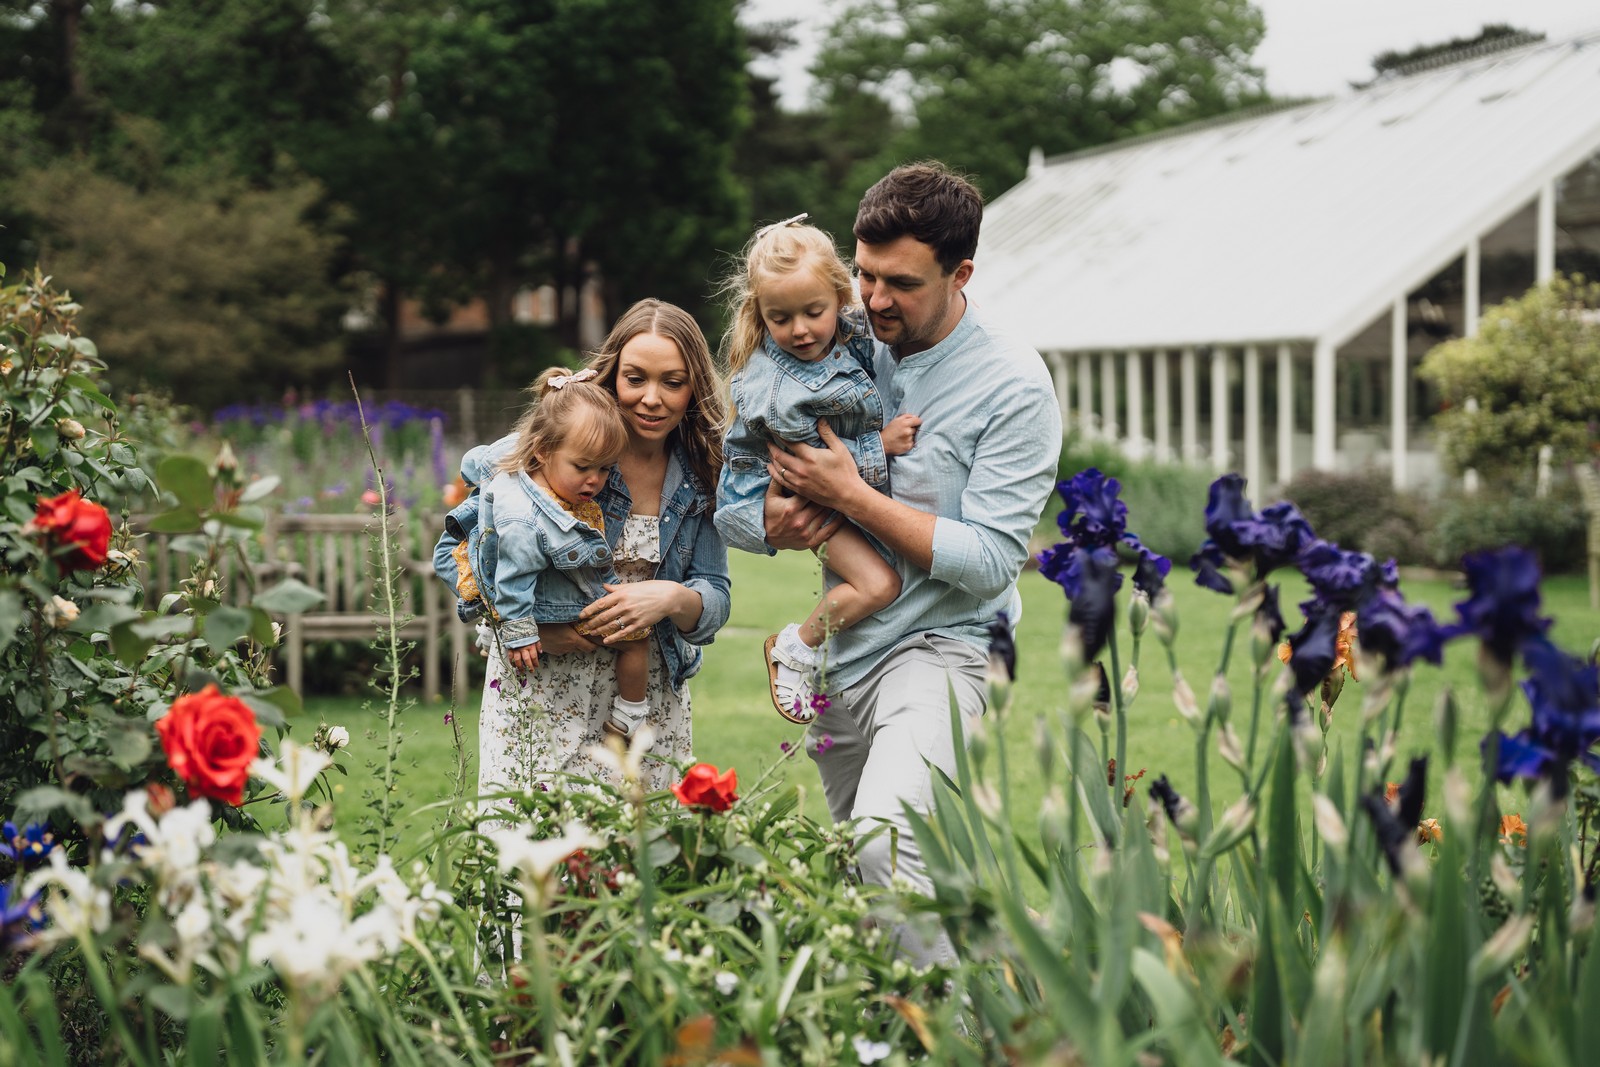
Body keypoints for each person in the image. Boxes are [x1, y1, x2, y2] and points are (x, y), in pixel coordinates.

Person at [715, 162, 1063, 965]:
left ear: (960, 272)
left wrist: (852, 494)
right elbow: (745, 488)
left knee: (883, 845)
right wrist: (776, 512)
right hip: (842, 661)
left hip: (940, 653)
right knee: (872, 885)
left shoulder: (1012, 385)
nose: (872, 301)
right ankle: (931, 1030)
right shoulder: (837, 340)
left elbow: (989, 562)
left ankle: (964, 1036)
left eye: (898, 283)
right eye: (864, 277)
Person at [437, 299, 730, 798]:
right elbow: (474, 549)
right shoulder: (567, 454)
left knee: (634, 864)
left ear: (693, 389)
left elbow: (716, 597)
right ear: (612, 375)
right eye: (635, 378)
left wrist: (670, 599)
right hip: (542, 686)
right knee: (532, 857)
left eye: (672, 382)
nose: (652, 399)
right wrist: (536, 630)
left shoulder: (700, 476)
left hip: (643, 698)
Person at [714, 214, 922, 723]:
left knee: (889, 582)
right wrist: (881, 445)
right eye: (779, 318)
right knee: (879, 585)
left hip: (824, 495)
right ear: (759, 313)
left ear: (839, 297)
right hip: (794, 498)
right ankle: (794, 649)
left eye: (813, 311)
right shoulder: (776, 390)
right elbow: (812, 466)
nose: (800, 330)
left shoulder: (851, 327)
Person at [436, 367, 654, 740]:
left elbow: (483, 458)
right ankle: (632, 712)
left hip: (517, 583)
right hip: (551, 606)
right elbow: (514, 576)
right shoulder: (526, 518)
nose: (595, 481)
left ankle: (491, 627)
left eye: (604, 468)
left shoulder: (528, 461)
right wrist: (518, 632)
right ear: (543, 451)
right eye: (582, 467)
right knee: (636, 637)